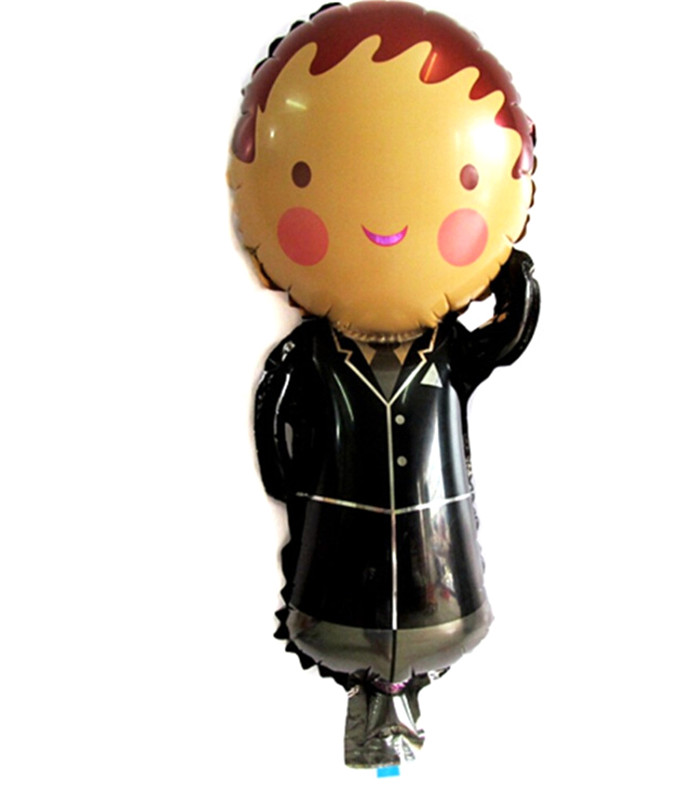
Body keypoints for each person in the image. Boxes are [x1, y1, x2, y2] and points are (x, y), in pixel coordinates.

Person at [228, 1, 539, 767]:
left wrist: (515, 276)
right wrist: (293, 488)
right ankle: (380, 731)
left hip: (441, 567)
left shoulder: (447, 354)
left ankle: (389, 734)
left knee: (424, 629)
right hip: (340, 552)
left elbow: (508, 336)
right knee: (341, 623)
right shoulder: (316, 356)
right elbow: (273, 419)